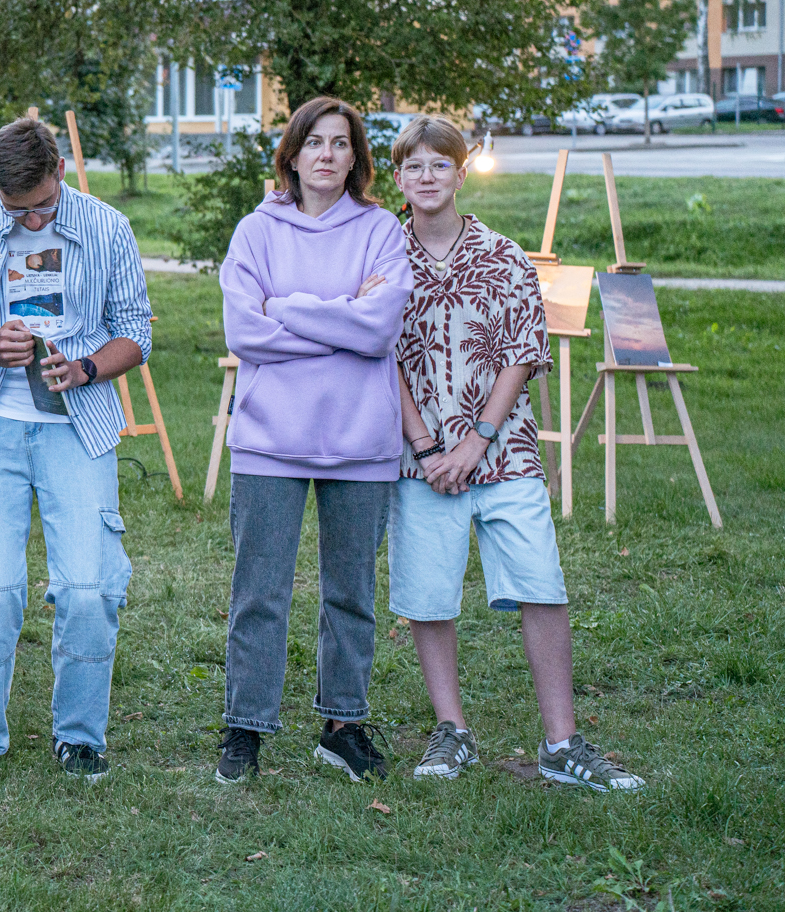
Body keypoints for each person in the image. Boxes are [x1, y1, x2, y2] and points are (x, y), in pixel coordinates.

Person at [389, 116, 643, 791]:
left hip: (504, 453)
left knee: (540, 583)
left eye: (439, 165)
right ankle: (452, 731)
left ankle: (561, 742)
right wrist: (427, 445)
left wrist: (476, 440)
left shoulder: (501, 255)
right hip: (420, 459)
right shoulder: (381, 257)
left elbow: (522, 352)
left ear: (461, 174)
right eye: (414, 166)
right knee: (429, 593)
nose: (427, 177)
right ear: (398, 178)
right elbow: (380, 358)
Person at [0, 117, 151, 785]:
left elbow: (136, 331)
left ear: (60, 172)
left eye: (42, 208)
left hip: (77, 428)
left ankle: (80, 737)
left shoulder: (108, 227)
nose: (31, 221)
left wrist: (85, 368)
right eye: (16, 211)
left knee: (88, 589)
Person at [215, 95, 412, 785]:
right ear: (292, 156)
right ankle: (245, 727)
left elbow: (379, 329)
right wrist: (342, 321)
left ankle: (342, 726)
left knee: (351, 593)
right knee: (258, 592)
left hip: (361, 438)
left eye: (341, 143)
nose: (327, 154)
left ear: (356, 158)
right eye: (314, 142)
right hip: (270, 438)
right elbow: (245, 332)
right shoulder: (256, 232)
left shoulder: (381, 230)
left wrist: (289, 309)